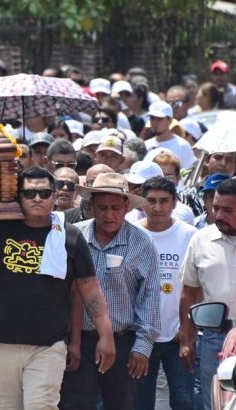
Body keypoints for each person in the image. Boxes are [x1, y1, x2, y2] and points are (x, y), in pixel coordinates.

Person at [0, 167, 116, 410]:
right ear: (19, 197)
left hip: (48, 345)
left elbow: (90, 290)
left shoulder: (70, 236)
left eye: (44, 193)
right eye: (30, 193)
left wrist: (106, 335)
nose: (37, 199)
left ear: (55, 196)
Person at [62, 172, 161, 410]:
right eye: (103, 207)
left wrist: (142, 347)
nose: (109, 214)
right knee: (75, 404)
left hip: (123, 340)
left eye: (116, 207)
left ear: (126, 207)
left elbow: (149, 297)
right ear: (92, 206)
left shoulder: (142, 242)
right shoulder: (74, 236)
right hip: (79, 340)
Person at [179, 177, 236, 410]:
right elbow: (189, 293)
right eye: (215, 207)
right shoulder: (200, 240)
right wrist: (186, 339)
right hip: (212, 340)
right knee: (214, 403)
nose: (218, 215)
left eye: (227, 210)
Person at [133, 177, 196, 410]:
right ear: (141, 203)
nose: (157, 207)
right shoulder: (132, 234)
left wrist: (188, 330)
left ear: (175, 203)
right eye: (151, 201)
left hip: (178, 335)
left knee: (183, 400)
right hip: (140, 336)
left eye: (164, 201)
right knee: (141, 402)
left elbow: (197, 286)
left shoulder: (190, 235)